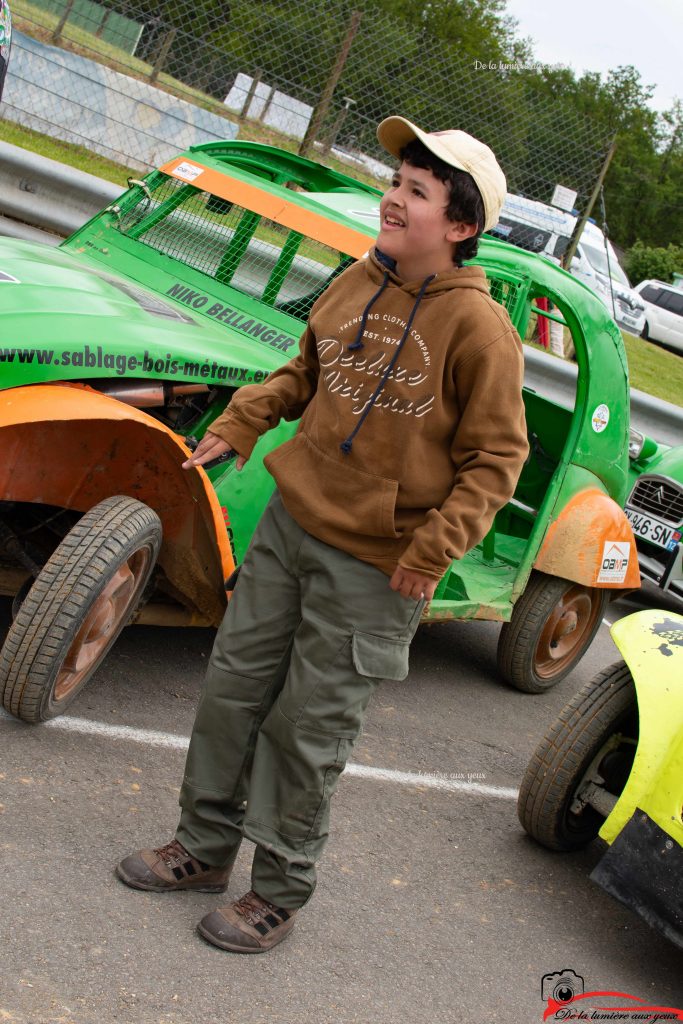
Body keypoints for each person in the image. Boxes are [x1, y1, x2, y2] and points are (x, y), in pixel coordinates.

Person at [116, 116, 529, 954]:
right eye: (394, 183)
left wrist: (430, 551)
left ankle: (278, 891)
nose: (391, 199)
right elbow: (305, 369)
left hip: (378, 568)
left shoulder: (480, 332)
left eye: (415, 193)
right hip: (289, 527)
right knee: (233, 692)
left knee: (308, 730)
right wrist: (242, 421)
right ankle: (200, 849)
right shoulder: (355, 279)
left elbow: (496, 459)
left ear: (459, 226)